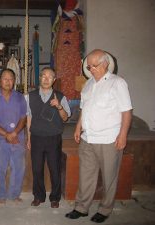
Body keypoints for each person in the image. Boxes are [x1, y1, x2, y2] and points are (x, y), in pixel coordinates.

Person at [65, 49, 132, 223]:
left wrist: (123, 134)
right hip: (88, 138)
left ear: (105, 64)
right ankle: (81, 207)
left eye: (95, 65)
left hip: (109, 139)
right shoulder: (87, 85)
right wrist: (78, 127)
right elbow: (84, 109)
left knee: (109, 176)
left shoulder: (118, 83)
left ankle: (105, 209)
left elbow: (126, 111)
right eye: (89, 66)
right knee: (85, 174)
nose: (91, 69)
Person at [26, 67, 71, 208]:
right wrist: (28, 138)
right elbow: (29, 118)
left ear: (54, 80)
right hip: (36, 138)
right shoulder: (30, 96)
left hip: (53, 138)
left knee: (54, 169)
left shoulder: (60, 96)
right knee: (37, 169)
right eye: (43, 76)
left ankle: (55, 198)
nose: (46, 79)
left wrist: (59, 106)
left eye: (49, 77)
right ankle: (38, 196)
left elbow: (65, 118)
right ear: (40, 78)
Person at [0, 69, 27, 205]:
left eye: (11, 78)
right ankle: (1, 195)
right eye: (5, 78)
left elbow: (23, 117)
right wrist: (6, 134)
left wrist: (14, 133)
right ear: (0, 80)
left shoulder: (20, 97)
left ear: (14, 81)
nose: (7, 81)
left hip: (18, 137)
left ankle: (14, 194)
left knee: (19, 167)